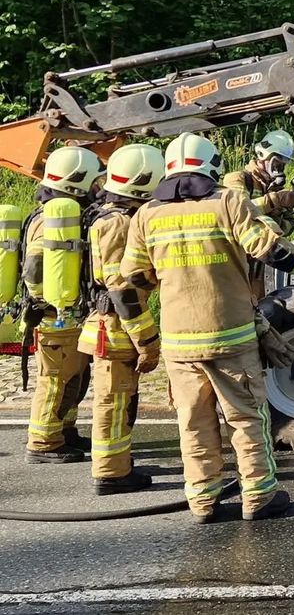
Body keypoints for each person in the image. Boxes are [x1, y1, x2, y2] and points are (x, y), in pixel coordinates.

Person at [121, 132, 294, 523]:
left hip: (179, 343)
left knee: (193, 422)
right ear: (212, 166)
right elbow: (273, 250)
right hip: (231, 337)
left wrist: (172, 279)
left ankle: (203, 501)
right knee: (245, 418)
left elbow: (132, 278)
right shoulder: (228, 202)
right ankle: (258, 496)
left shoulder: (146, 215)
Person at [78, 144, 165, 495]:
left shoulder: (115, 216)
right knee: (113, 401)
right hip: (115, 327)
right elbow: (121, 290)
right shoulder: (116, 224)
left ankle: (118, 463)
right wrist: (147, 340)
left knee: (123, 399)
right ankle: (111, 473)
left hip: (116, 326)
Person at [24, 146, 104, 464]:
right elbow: (33, 269)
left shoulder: (64, 217)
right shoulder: (50, 221)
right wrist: (46, 301)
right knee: (55, 379)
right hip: (53, 316)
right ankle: (43, 442)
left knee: (75, 376)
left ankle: (64, 430)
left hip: (68, 313)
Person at [223, 129, 294, 224]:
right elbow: (236, 212)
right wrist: (276, 200)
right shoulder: (237, 179)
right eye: (277, 162)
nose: (280, 168)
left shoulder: (272, 188)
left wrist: (287, 205)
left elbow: (284, 229)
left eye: (284, 163)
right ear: (263, 155)